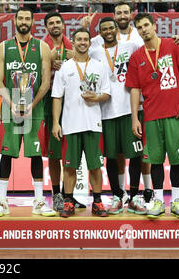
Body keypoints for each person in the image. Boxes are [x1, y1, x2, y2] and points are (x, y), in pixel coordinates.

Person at [125, 12, 179, 219]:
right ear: (137, 31)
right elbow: (135, 89)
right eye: (140, 27)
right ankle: (157, 201)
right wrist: (134, 118)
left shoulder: (173, 45)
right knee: (155, 161)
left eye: (146, 25)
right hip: (151, 116)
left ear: (154, 26)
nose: (144, 29)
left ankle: (176, 201)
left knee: (176, 160)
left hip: (175, 113)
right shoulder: (137, 57)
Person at [0, 7, 56, 218]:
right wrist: (10, 103)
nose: (24, 21)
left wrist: (31, 103)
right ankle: (2, 200)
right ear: (15, 20)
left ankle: (38, 200)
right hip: (10, 110)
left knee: (35, 154)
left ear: (32, 21)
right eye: (20, 18)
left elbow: (46, 83)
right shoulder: (3, 47)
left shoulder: (42, 47)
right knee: (7, 154)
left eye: (27, 18)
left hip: (35, 110)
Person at [89, 17, 147, 215]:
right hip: (105, 112)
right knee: (111, 157)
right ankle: (117, 195)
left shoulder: (130, 47)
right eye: (103, 29)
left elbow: (151, 45)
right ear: (100, 32)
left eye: (110, 28)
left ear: (116, 29)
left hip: (130, 110)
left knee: (135, 155)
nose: (107, 31)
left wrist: (175, 39)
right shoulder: (94, 52)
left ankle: (134, 196)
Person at [51, 28, 110, 218]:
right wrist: (55, 123)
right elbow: (57, 97)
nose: (83, 42)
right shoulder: (65, 68)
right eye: (79, 39)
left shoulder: (99, 66)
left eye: (86, 39)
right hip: (70, 125)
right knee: (69, 166)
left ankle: (98, 202)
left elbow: (107, 94)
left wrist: (96, 97)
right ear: (73, 43)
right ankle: (68, 202)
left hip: (93, 124)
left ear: (89, 43)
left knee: (95, 166)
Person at [43, 12, 88, 212]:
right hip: (49, 103)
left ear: (63, 25)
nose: (55, 25)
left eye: (58, 22)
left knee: (71, 152)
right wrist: (48, 61)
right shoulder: (42, 47)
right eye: (51, 23)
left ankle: (68, 194)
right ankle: (56, 195)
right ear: (46, 27)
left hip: (72, 104)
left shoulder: (72, 45)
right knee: (54, 153)